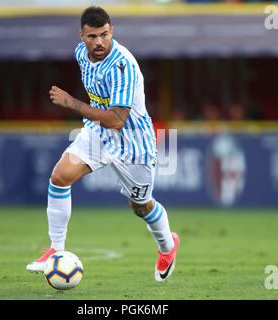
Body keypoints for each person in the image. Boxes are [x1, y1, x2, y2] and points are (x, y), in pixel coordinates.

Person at [26, 6, 179, 282]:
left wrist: (71, 103)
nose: (99, 42)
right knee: (60, 177)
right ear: (82, 36)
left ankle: (168, 245)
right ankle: (55, 251)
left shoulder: (124, 66)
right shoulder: (80, 53)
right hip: (98, 134)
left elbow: (117, 119)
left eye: (104, 35)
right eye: (93, 36)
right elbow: (104, 117)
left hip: (133, 143)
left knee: (141, 207)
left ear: (112, 32)